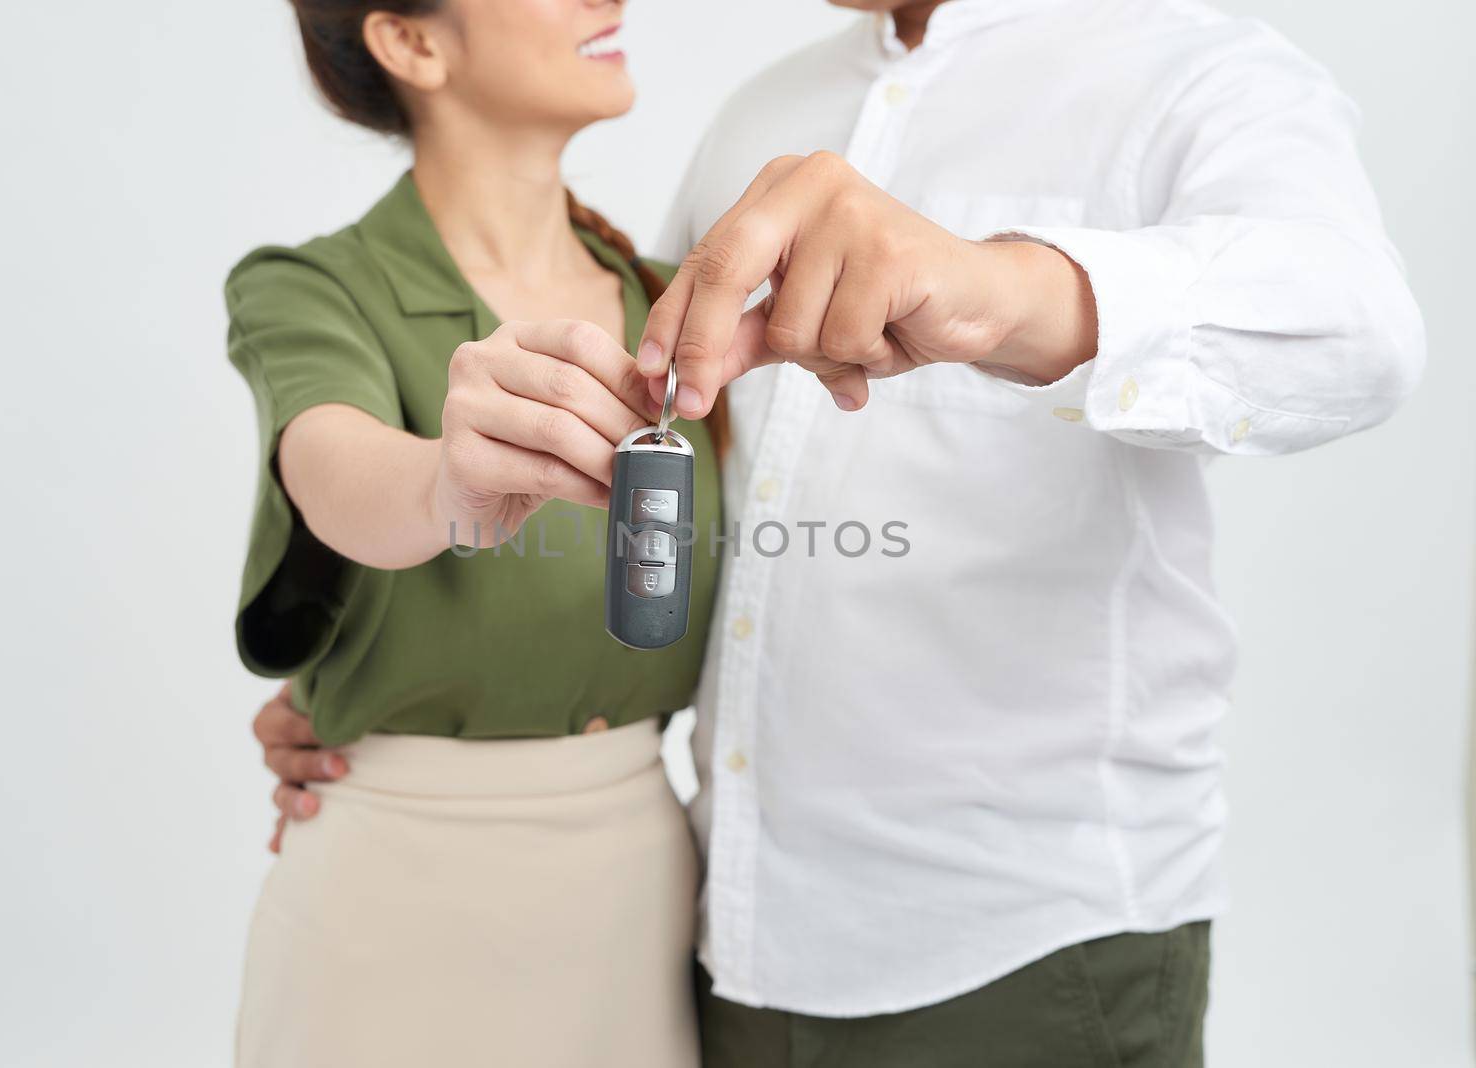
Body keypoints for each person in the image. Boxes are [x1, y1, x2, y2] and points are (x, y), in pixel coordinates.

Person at [254, 0, 1425, 1064]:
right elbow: (672, 484)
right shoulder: (760, 118)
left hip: (1025, 948)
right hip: (728, 940)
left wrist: (1007, 290)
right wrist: (390, 690)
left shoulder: (1191, 71)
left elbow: (1361, 333)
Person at [224, 2, 730, 1065]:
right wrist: (447, 485)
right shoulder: (314, 288)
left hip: (643, 893)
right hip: (390, 899)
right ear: (410, 42)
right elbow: (331, 467)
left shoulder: (672, 307)